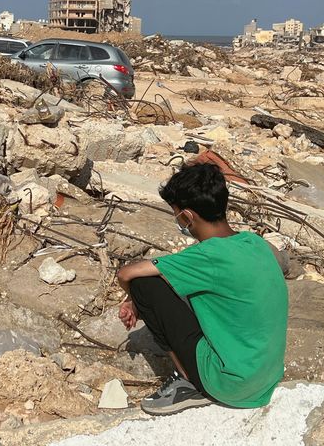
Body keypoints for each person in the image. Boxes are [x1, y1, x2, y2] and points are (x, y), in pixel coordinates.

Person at [116, 163, 288, 416]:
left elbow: (127, 273)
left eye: (176, 215)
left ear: (186, 216)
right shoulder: (254, 242)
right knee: (176, 283)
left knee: (145, 284)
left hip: (231, 384)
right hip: (266, 376)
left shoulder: (206, 254)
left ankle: (187, 382)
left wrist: (133, 298)